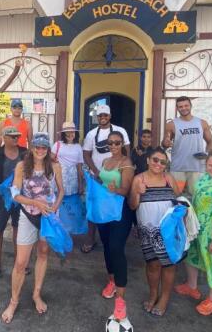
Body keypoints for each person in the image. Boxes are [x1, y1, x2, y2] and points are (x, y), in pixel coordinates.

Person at [0, 133, 64, 323]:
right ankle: (14, 301)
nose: (40, 150)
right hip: (27, 215)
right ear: (32, 148)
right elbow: (15, 195)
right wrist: (35, 202)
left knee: (43, 254)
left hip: (48, 217)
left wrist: (54, 209)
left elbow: (61, 191)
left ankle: (37, 294)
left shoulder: (55, 166)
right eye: (37, 146)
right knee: (21, 263)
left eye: (44, 147)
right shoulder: (22, 166)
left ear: (48, 149)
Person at [175, 149, 212, 316]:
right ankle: (192, 286)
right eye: (211, 165)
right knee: (192, 256)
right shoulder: (204, 178)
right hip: (197, 227)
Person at [129, 147, 184, 317]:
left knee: (168, 264)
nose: (158, 164)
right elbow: (132, 206)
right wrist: (138, 193)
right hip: (148, 229)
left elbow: (179, 200)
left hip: (168, 231)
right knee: (152, 264)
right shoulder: (139, 179)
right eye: (155, 160)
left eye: (162, 161)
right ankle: (153, 294)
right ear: (147, 160)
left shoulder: (169, 178)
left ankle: (165, 297)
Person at [95, 130, 135, 320]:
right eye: (110, 143)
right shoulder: (105, 162)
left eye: (117, 143)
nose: (113, 146)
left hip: (120, 213)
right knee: (107, 248)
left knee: (116, 248)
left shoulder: (126, 164)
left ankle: (120, 299)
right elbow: (102, 182)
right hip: (104, 211)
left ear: (123, 144)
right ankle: (111, 280)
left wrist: (115, 189)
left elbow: (126, 191)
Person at [82, 104, 130, 253]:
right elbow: (86, 154)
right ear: (97, 117)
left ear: (110, 116)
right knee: (93, 205)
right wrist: (96, 171)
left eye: (105, 115)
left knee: (114, 206)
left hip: (115, 175)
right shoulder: (91, 134)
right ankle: (91, 238)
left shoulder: (120, 131)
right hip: (97, 177)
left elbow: (127, 151)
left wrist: (124, 169)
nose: (103, 118)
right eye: (100, 116)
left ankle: (113, 237)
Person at [0, 126, 28, 282]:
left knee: (18, 230)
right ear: (4, 138)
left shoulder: (25, 153)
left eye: (17, 136)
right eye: (13, 136)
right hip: (0, 200)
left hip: (19, 199)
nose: (16, 139)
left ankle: (19, 263)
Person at [161, 96, 212, 195]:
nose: (184, 108)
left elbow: (210, 142)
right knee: (176, 196)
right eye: (180, 106)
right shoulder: (171, 124)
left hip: (197, 167)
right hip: (178, 168)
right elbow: (164, 143)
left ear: (191, 106)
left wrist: (207, 154)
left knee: (197, 197)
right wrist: (165, 143)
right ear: (177, 108)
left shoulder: (202, 123)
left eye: (186, 105)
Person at [51, 121, 85, 233]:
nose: (70, 135)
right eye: (67, 133)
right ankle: (58, 228)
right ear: (63, 134)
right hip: (59, 177)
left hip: (72, 179)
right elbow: (50, 160)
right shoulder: (57, 145)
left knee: (70, 204)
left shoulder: (78, 147)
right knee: (58, 202)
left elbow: (79, 167)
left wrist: (81, 185)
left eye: (72, 132)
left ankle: (68, 229)